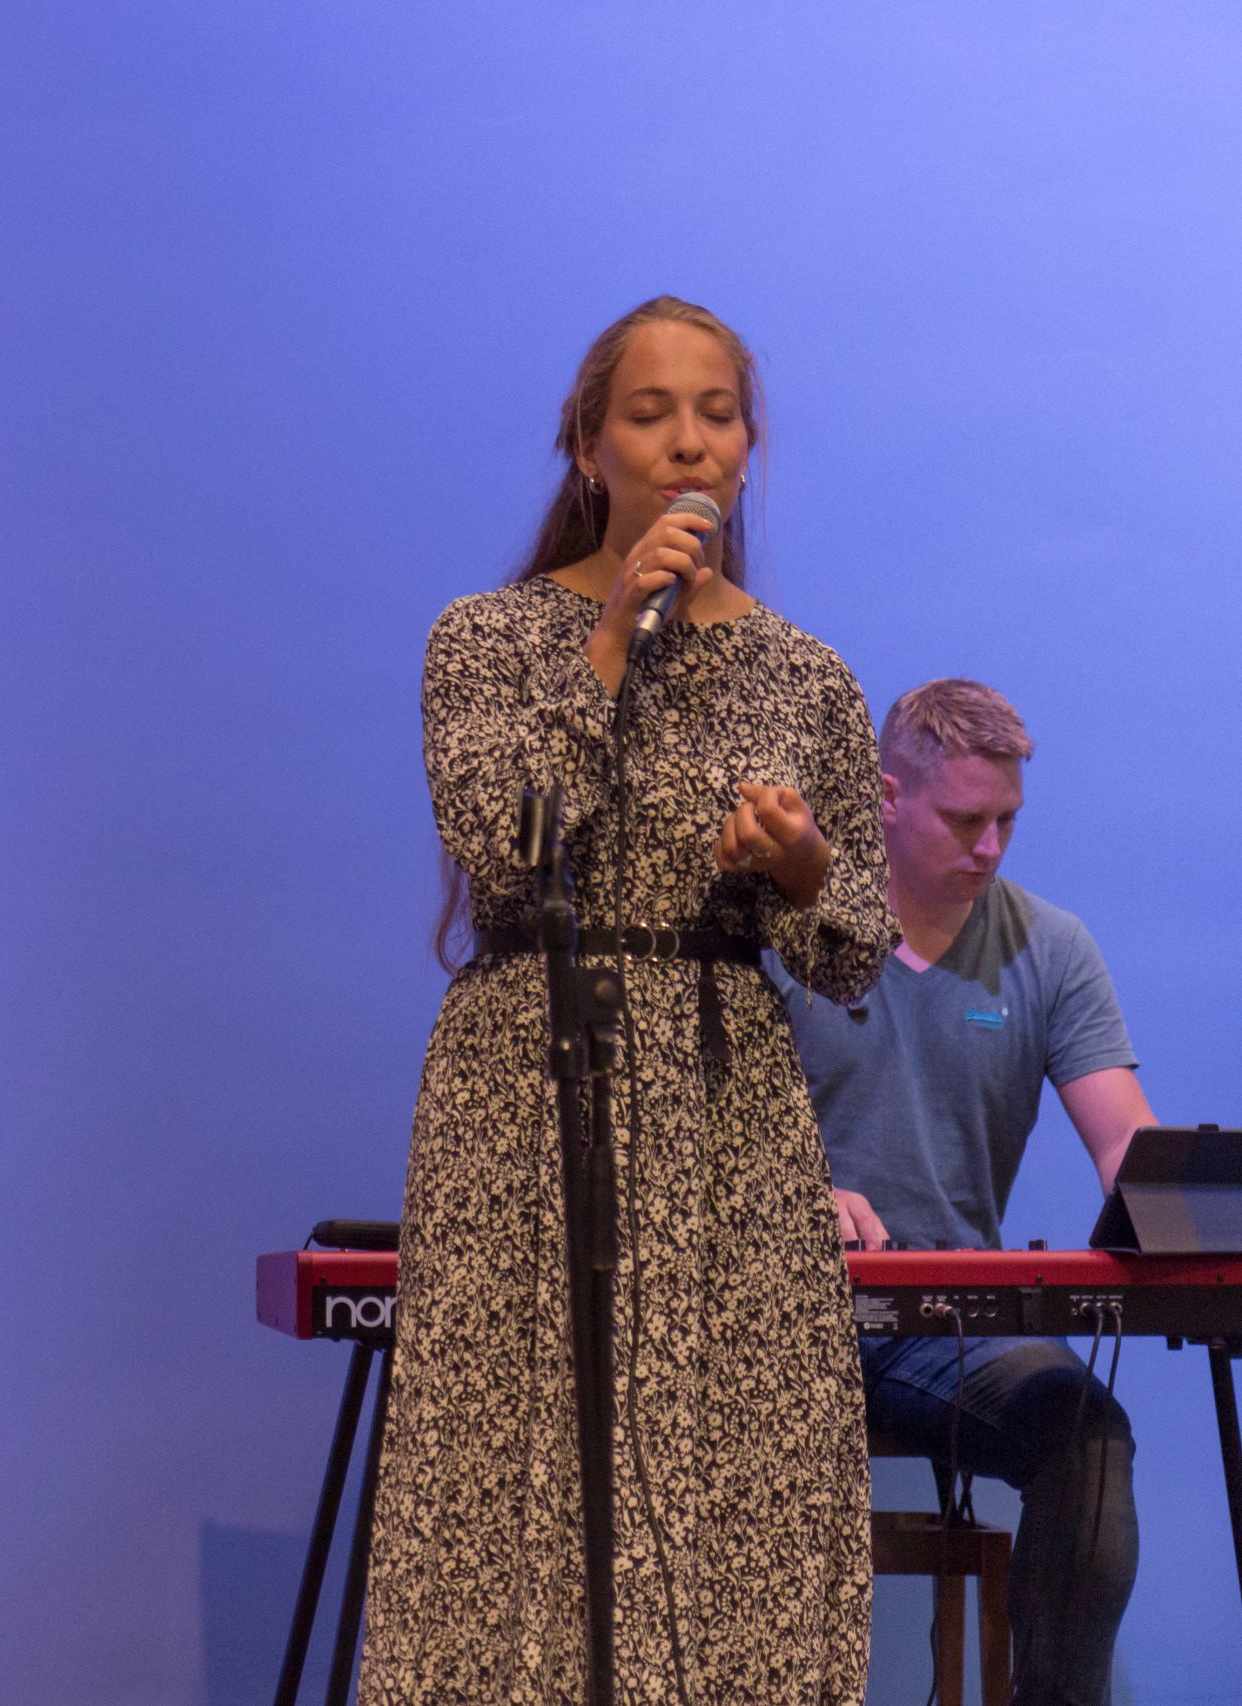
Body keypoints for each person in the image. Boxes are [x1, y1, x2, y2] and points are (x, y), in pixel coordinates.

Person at [359, 297, 894, 1704]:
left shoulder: (808, 675)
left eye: (715, 413)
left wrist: (801, 864)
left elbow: (854, 953)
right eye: (649, 414)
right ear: (588, 445)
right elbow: (501, 840)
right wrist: (606, 642)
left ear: (749, 442)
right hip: (530, 1092)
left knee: (735, 1477)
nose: (686, 443)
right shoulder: (487, 639)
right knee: (512, 1469)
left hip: (725, 1116)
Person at [769, 678, 1148, 1706]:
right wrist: (798, 1193)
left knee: (1087, 1440)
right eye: (965, 820)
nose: (989, 847)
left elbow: (1126, 1141)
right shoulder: (783, 928)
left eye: (1006, 822)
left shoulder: (1050, 949)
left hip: (941, 1325)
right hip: (772, 1307)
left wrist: (1178, 1205)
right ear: (886, 797)